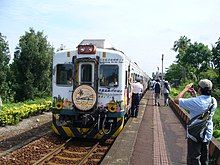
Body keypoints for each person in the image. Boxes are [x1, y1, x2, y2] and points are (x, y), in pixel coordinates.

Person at [174, 79, 217, 165]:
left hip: (195, 134)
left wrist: (185, 89)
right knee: (204, 158)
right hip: (207, 134)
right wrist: (195, 95)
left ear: (200, 89)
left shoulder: (196, 102)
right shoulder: (213, 101)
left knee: (193, 158)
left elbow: (176, 100)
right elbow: (201, 107)